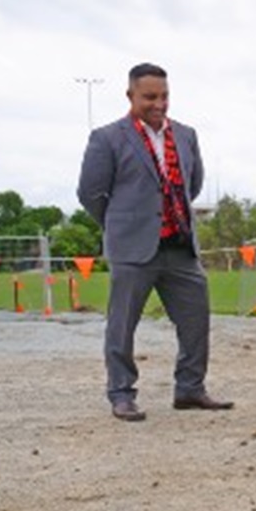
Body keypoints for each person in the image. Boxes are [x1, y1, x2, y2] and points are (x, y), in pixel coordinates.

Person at [77, 62, 233, 422]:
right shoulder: (107, 138)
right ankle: (121, 394)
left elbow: (192, 184)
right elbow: (90, 193)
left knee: (196, 319)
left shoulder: (186, 134)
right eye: (150, 97)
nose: (159, 103)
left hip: (179, 245)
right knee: (122, 325)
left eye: (164, 96)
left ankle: (190, 389)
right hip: (133, 249)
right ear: (131, 95)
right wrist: (121, 223)